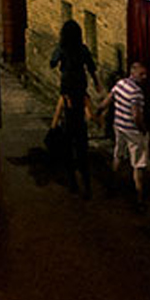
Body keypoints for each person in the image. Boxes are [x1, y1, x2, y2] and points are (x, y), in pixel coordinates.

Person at [47, 20, 97, 195]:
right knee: (82, 145)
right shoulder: (82, 49)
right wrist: (97, 83)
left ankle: (73, 183)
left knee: (68, 144)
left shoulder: (62, 49)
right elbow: (91, 67)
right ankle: (87, 184)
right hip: (79, 90)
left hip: (68, 89)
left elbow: (52, 63)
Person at [108, 61, 150, 202]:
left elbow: (109, 98)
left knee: (118, 155)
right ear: (133, 73)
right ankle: (139, 197)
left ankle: (112, 185)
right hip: (133, 131)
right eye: (141, 74)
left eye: (145, 74)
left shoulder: (121, 84)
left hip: (119, 126)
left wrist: (99, 110)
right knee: (138, 164)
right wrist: (143, 130)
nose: (144, 77)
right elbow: (136, 115)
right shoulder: (136, 92)